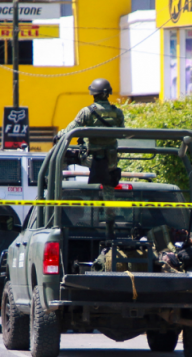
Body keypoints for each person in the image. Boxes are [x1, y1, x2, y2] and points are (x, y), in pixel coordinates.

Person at [54, 79, 125, 239]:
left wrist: (58, 135)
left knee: (65, 156)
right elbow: (122, 133)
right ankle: (110, 228)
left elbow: (70, 130)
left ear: (93, 94)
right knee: (109, 187)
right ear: (108, 94)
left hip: (91, 159)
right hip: (111, 161)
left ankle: (53, 193)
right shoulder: (118, 112)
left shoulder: (86, 112)